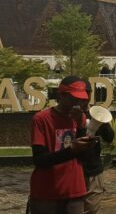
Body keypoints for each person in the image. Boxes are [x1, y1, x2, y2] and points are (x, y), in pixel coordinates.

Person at [28, 76, 95, 214]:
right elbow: (40, 160)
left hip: (74, 190)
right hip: (46, 192)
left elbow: (83, 158)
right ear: (61, 95)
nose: (77, 104)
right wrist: (72, 150)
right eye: (73, 99)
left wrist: (81, 126)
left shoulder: (80, 117)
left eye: (80, 100)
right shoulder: (41, 119)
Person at [80, 83, 115, 214]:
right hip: (76, 170)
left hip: (93, 169)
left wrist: (103, 123)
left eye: (87, 95)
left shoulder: (94, 113)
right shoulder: (70, 114)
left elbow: (110, 137)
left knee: (92, 209)